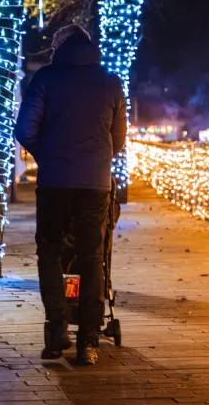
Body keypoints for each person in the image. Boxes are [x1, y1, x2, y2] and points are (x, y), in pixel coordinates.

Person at [14, 24, 127, 366]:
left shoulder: (46, 79)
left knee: (49, 250)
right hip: (95, 183)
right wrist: (98, 159)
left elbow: (24, 129)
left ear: (59, 48)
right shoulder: (111, 82)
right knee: (91, 255)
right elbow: (118, 138)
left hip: (54, 181)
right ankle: (88, 342)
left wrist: (47, 155)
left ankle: (57, 327)